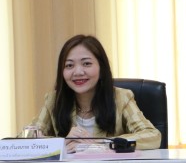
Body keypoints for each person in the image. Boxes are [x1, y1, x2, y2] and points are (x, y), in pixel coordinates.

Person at [26, 34, 162, 151]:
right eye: (69, 65)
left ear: (101, 68)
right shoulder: (53, 101)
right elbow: (25, 138)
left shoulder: (121, 98)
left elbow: (152, 136)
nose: (78, 72)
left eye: (86, 64)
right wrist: (61, 143)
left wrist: (101, 144)